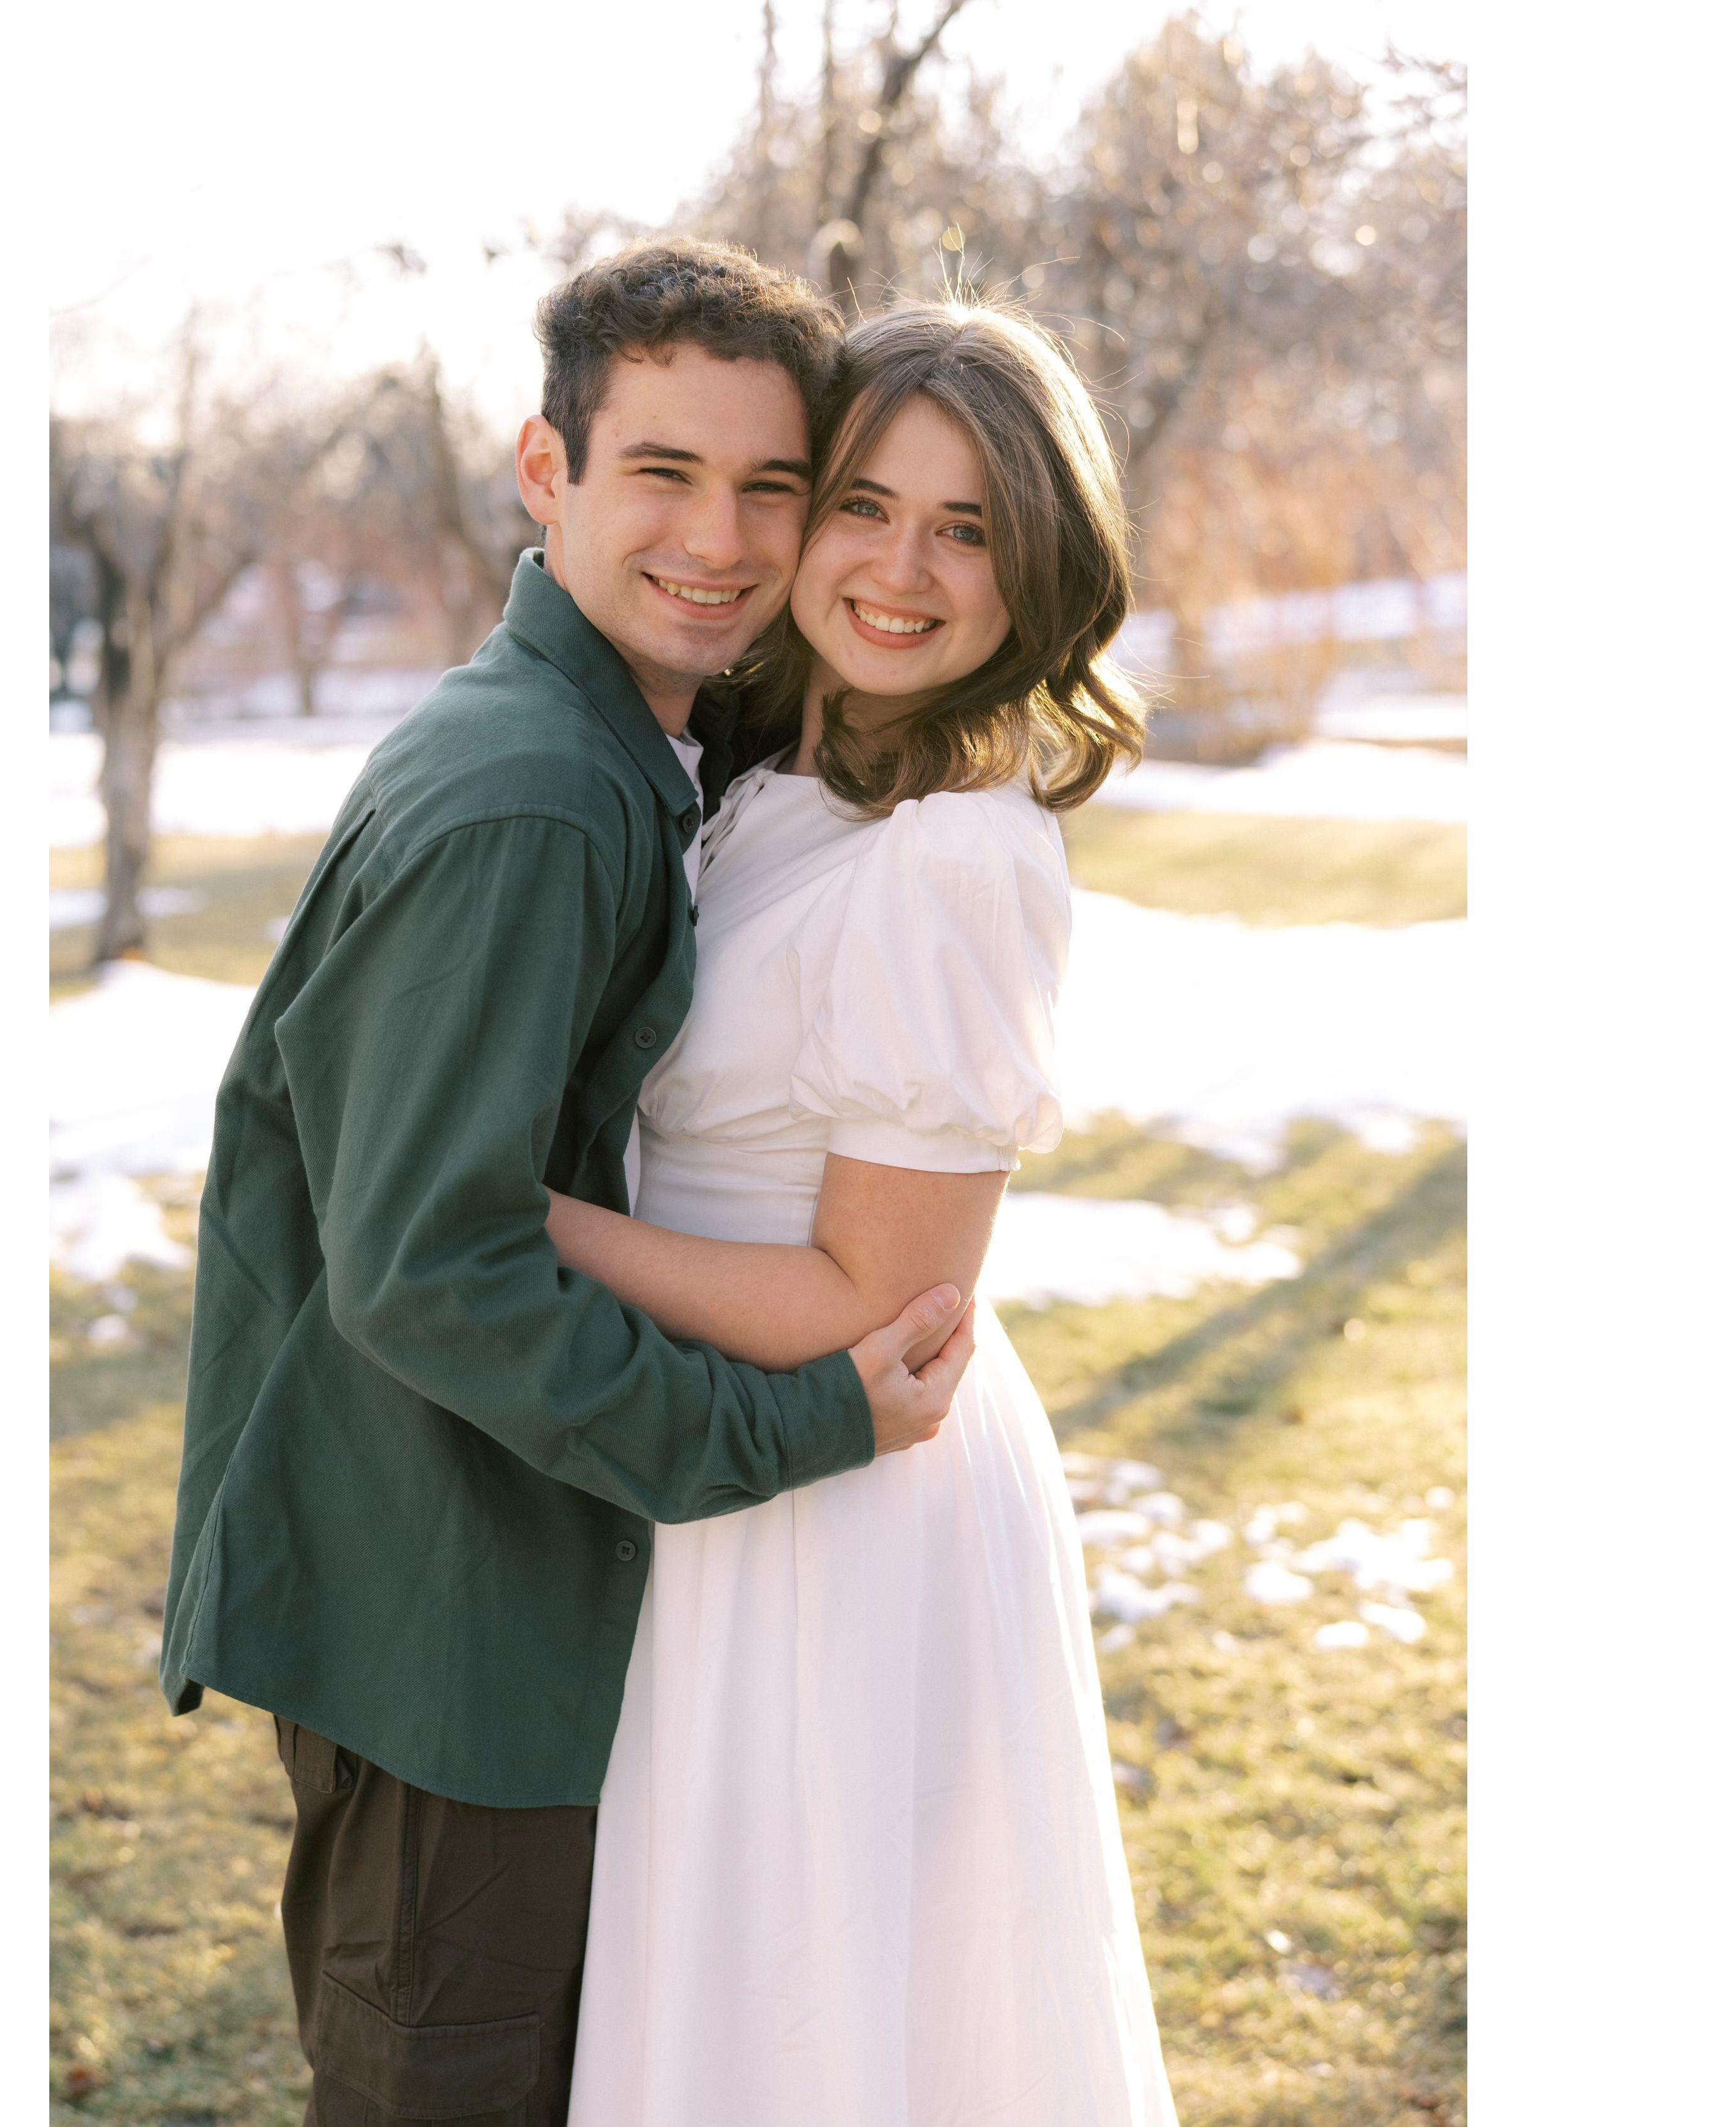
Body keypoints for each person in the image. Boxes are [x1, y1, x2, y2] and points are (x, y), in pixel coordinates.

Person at [156, 241, 976, 2127]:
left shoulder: (622, 746)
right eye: (664, 472)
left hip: (490, 1580)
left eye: (775, 486)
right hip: (441, 1620)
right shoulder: (534, 795)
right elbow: (434, 1266)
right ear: (549, 470)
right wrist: (792, 1424)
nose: (723, 538)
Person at [555, 300, 1182, 2126]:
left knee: (822, 2022)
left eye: (967, 528)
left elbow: (876, 1303)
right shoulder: (772, 786)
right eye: (864, 505)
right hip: (715, 1454)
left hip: (842, 1497)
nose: (901, 571)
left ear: (1037, 566)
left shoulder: (959, 852)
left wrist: (519, 1227)